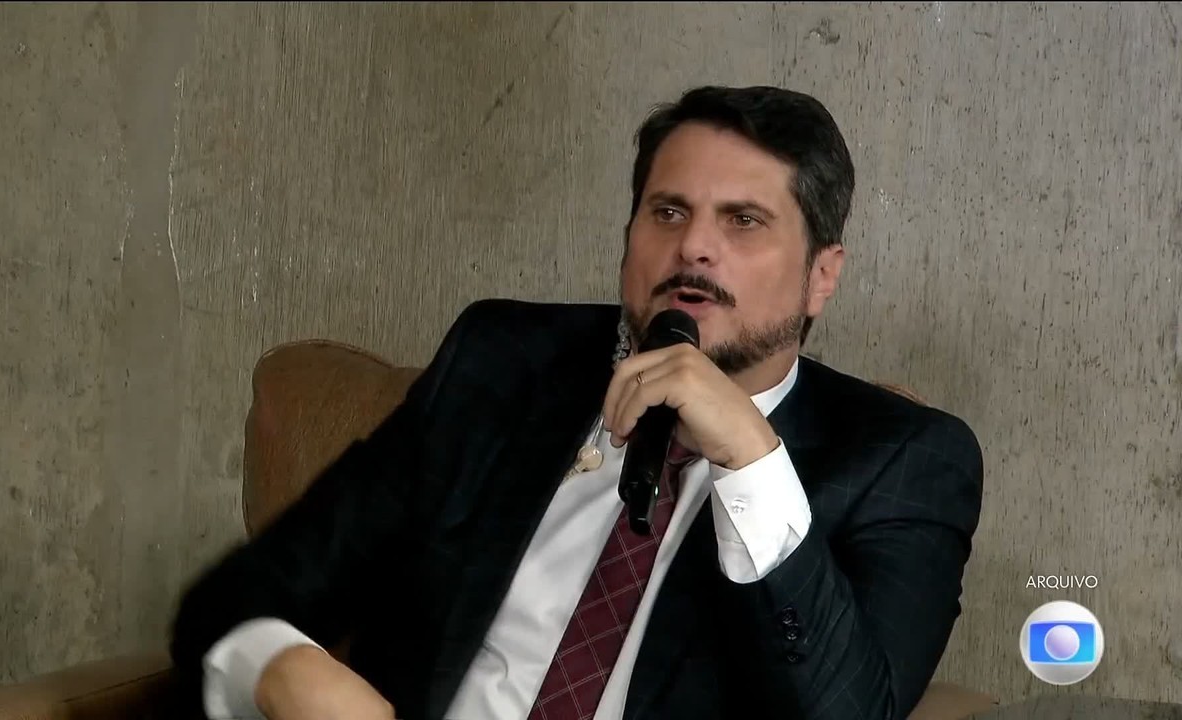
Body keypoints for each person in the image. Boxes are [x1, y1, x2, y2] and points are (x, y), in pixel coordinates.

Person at [169, 84, 984, 720]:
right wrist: (282, 670)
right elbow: (238, 598)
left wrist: (748, 456)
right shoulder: (504, 364)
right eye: (668, 211)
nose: (694, 247)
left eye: (744, 221)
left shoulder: (904, 461)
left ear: (821, 277)